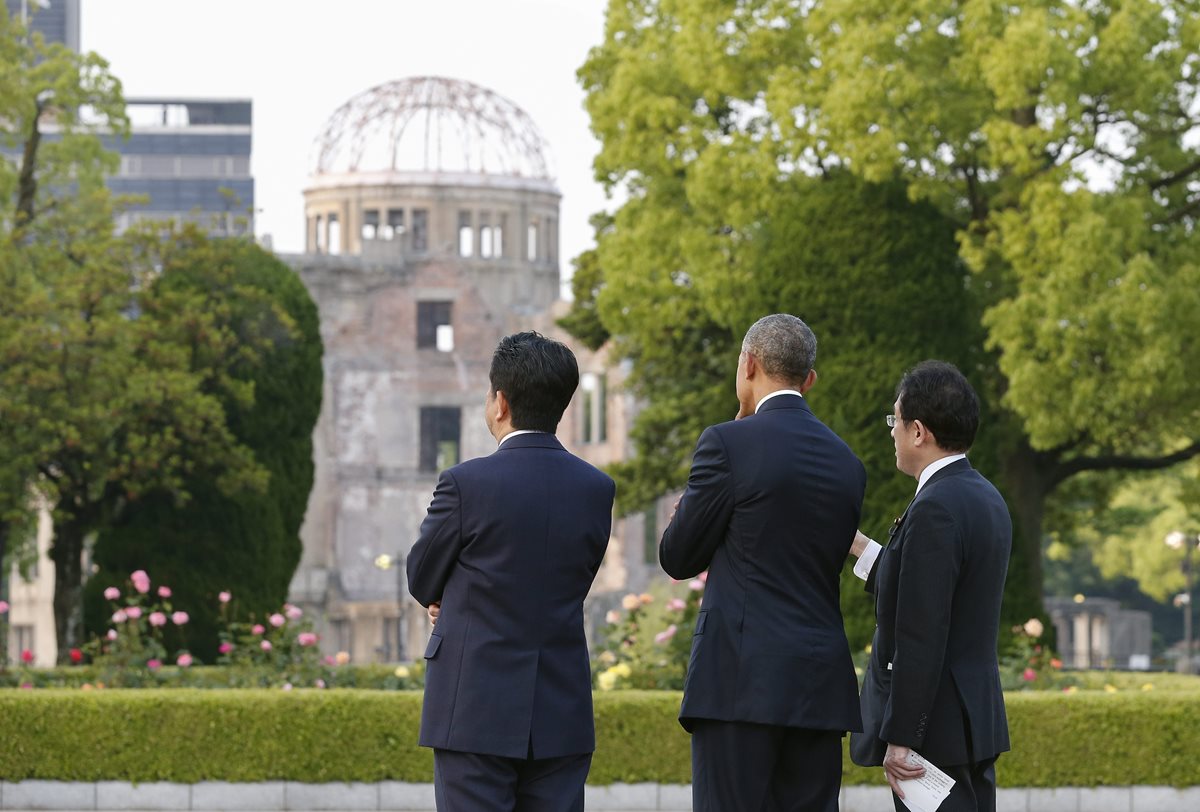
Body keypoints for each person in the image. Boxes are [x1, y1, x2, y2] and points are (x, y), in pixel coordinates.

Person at [660, 313, 866, 812]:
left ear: (747, 364)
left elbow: (677, 557)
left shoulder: (727, 443)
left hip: (738, 682)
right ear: (809, 380)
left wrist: (692, 505)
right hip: (818, 687)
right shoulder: (847, 462)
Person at [407, 331, 616, 812]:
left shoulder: (465, 483)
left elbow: (422, 576)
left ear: (500, 403)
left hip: (473, 705)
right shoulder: (595, 488)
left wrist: (450, 600)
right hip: (561, 709)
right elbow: (573, 578)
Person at [849, 360, 1012, 812]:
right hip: (971, 718)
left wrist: (900, 737)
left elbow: (921, 632)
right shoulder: (983, 495)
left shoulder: (934, 507)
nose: (892, 432)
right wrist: (859, 545)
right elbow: (933, 592)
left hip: (934, 728)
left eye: (894, 421)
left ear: (918, 431)